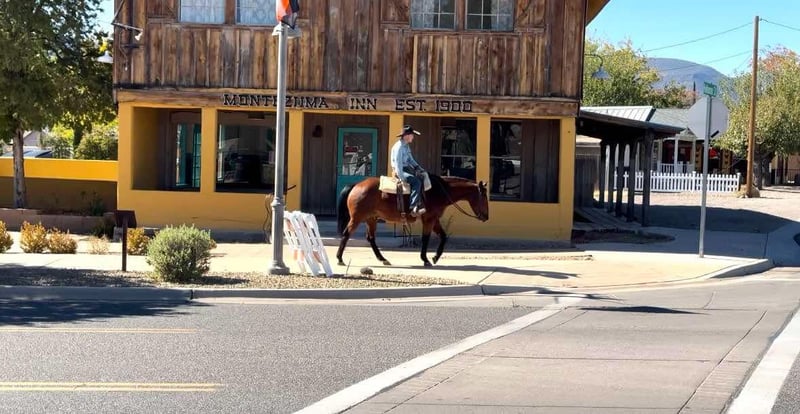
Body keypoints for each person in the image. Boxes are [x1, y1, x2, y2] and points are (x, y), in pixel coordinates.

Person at [391, 125, 427, 216]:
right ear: (407, 136)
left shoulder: (406, 146)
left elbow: (410, 159)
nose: (413, 137)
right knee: (416, 182)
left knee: (422, 177)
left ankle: (420, 203)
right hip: (400, 170)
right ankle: (413, 206)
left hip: (406, 169)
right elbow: (398, 165)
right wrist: (402, 178)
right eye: (412, 135)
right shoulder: (399, 147)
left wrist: (418, 167)